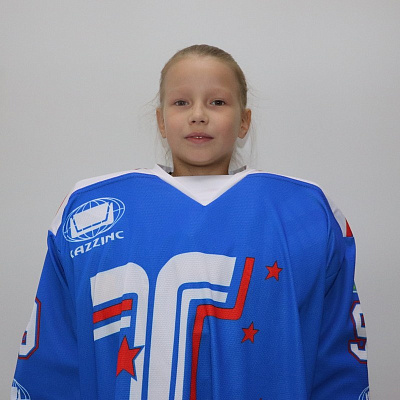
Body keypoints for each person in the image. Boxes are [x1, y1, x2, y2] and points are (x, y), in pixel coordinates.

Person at [11, 44, 369, 399]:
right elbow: (54, 361)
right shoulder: (87, 211)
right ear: (160, 121)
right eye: (181, 102)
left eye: (218, 102)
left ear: (244, 121)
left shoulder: (307, 213)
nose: (198, 115)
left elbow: (336, 363)